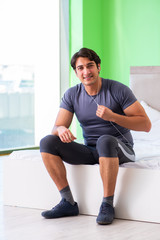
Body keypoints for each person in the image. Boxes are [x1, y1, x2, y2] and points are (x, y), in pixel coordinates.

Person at [40, 48, 151, 225]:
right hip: (92, 150)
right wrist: (60, 130)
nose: (86, 72)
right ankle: (67, 202)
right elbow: (57, 126)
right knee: (47, 142)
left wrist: (113, 116)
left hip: (121, 149)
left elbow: (146, 125)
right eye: (80, 68)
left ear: (98, 67)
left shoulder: (118, 90)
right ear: (76, 72)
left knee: (105, 140)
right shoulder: (72, 94)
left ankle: (107, 204)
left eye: (90, 66)